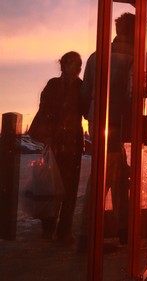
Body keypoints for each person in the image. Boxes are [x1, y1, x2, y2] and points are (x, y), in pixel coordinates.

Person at [78, 13, 136, 249]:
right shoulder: (137, 56)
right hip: (118, 123)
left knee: (119, 172)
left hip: (98, 120)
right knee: (105, 174)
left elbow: (85, 90)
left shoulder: (96, 55)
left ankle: (121, 228)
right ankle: (89, 231)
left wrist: (90, 114)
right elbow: (135, 94)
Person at [30, 51, 84, 244]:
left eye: (76, 64)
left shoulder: (80, 86)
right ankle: (49, 228)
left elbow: (85, 110)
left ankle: (64, 231)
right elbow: (45, 110)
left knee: (69, 189)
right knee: (51, 187)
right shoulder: (54, 85)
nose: (74, 68)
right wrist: (49, 136)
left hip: (73, 144)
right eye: (70, 63)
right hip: (55, 143)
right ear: (63, 65)